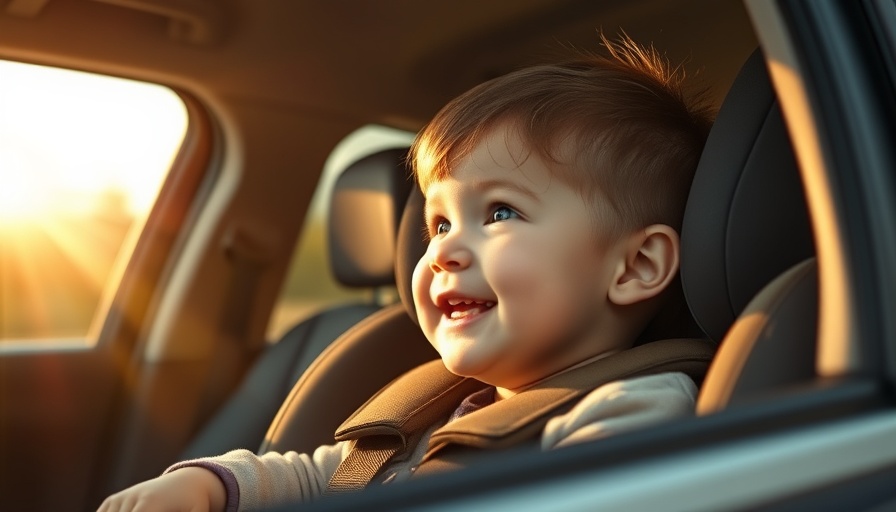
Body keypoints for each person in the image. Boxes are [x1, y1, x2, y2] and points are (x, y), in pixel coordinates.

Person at [99, 34, 714, 512]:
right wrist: (207, 486)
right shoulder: (435, 406)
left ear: (635, 266)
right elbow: (319, 475)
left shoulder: (632, 412)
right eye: (440, 224)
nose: (444, 251)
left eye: (500, 212)